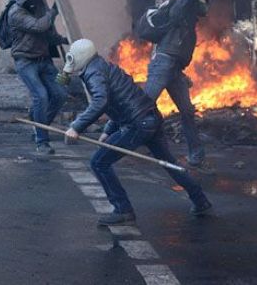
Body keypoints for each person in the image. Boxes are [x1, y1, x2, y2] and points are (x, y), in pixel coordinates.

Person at [62, 39, 212, 225]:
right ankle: (200, 200)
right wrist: (109, 130)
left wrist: (76, 127)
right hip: (151, 117)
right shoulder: (103, 66)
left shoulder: (94, 73)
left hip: (138, 124)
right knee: (168, 163)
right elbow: (120, 100)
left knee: (99, 163)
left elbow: (100, 102)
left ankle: (122, 210)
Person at [143, 0, 226, 167]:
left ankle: (196, 155)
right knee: (142, 104)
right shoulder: (182, 6)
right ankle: (110, 136)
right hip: (163, 64)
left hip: (174, 69)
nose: (205, 4)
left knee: (188, 112)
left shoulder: (188, 18)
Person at [8, 0, 67, 155]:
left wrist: (63, 39)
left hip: (44, 61)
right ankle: (42, 141)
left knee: (60, 94)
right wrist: (53, 12)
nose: (34, 1)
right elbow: (39, 26)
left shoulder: (37, 8)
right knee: (41, 96)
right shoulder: (16, 13)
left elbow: (46, 34)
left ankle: (39, 126)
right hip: (26, 62)